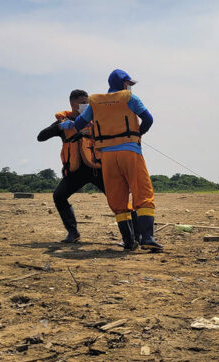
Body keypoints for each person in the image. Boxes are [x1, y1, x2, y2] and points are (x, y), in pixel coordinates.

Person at [60, 69, 162, 251]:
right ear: (122, 84)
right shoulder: (130, 98)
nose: (129, 87)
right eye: (128, 84)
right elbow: (148, 119)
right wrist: (138, 133)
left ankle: (129, 242)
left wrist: (68, 125)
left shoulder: (95, 102)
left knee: (118, 198)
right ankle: (147, 237)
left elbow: (79, 124)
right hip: (130, 152)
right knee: (143, 193)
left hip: (107, 157)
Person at [37, 89, 137, 243]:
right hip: (76, 171)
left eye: (88, 102)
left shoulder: (97, 119)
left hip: (99, 169)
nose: (86, 105)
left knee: (120, 200)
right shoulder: (64, 121)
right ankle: (73, 233)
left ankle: (134, 236)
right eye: (83, 103)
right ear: (72, 104)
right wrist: (60, 127)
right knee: (59, 195)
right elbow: (41, 137)